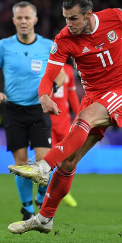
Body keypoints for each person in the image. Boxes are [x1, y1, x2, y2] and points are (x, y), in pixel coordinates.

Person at [7, 0, 122, 235]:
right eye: (66, 18)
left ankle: (43, 167)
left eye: (74, 18)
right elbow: (49, 75)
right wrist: (44, 95)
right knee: (68, 162)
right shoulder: (64, 39)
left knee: (86, 121)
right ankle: (45, 218)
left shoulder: (114, 17)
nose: (69, 24)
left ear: (89, 15)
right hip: (94, 97)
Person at [0, 1, 66, 221]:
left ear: (35, 20)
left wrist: (48, 94)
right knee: (21, 163)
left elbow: (62, 75)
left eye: (27, 17)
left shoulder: (48, 45)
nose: (23, 21)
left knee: (44, 163)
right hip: (13, 110)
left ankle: (40, 197)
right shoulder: (3, 46)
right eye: (19, 18)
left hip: (38, 110)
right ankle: (28, 209)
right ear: (13, 20)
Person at [49, 59, 80, 206]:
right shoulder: (46, 67)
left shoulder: (68, 70)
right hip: (47, 122)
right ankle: (49, 193)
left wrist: (80, 115)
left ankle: (63, 192)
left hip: (64, 122)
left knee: (68, 159)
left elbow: (72, 95)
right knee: (48, 159)